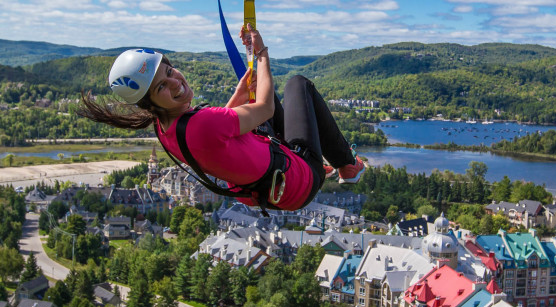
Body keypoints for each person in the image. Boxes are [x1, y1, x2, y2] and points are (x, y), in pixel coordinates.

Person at [78, 24, 364, 211]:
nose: (175, 82)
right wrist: (260, 52)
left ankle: (322, 160)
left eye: (169, 72)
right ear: (149, 102)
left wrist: (241, 92)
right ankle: (346, 166)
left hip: (269, 189)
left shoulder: (164, 127)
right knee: (297, 85)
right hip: (300, 181)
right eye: (161, 87)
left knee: (261, 97)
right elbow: (263, 109)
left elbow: (214, 136)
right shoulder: (203, 124)